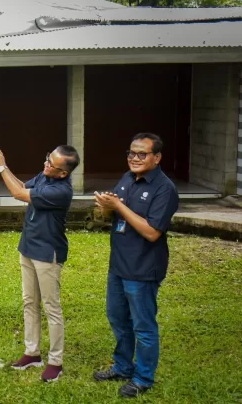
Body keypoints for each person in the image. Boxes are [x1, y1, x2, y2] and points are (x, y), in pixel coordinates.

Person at [92, 133, 179, 398]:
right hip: (118, 265)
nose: (135, 158)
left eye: (142, 154)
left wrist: (118, 204)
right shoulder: (128, 178)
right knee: (118, 318)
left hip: (142, 270)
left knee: (143, 326)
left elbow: (152, 232)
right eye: (131, 153)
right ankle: (122, 366)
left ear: (157, 157)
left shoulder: (165, 189)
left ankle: (143, 378)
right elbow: (112, 215)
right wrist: (106, 206)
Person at [0, 144, 80, 383]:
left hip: (47, 253)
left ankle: (55, 361)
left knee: (51, 306)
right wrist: (5, 167)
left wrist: (1, 167)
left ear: (64, 173)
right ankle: (32, 352)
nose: (46, 164)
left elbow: (18, 195)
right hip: (28, 247)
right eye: (48, 158)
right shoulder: (46, 174)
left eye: (52, 164)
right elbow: (21, 186)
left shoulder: (61, 190)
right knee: (29, 301)